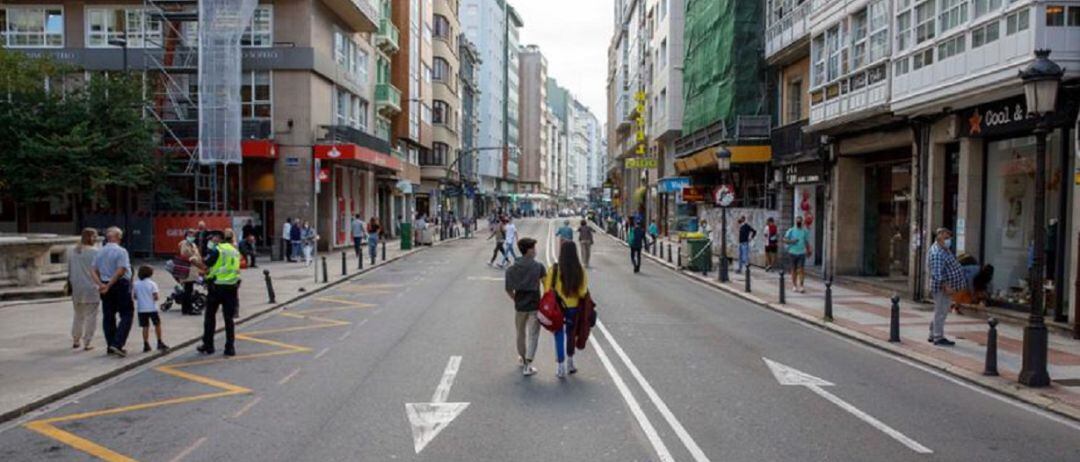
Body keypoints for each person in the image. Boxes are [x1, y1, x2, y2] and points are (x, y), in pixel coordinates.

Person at [545, 241, 590, 378]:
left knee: (558, 335)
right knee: (571, 335)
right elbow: (583, 292)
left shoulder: (555, 269)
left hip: (558, 308)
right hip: (573, 308)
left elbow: (547, 289)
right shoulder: (580, 269)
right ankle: (570, 363)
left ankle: (560, 366)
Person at [504, 238, 546, 376]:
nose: (535, 251)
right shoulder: (538, 267)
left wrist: (515, 299)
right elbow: (546, 285)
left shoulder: (512, 269)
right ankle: (528, 363)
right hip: (535, 305)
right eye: (534, 248)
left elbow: (508, 289)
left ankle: (522, 358)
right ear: (528, 251)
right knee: (533, 335)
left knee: (520, 333)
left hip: (520, 306)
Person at [91, 227, 134, 357]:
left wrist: (101, 285)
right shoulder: (121, 251)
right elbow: (121, 270)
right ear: (118, 237)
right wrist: (109, 284)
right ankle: (118, 343)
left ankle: (110, 345)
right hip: (119, 284)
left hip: (104, 284)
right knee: (127, 313)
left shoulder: (99, 251)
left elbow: (93, 270)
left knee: (108, 315)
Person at [198, 229, 241, 356]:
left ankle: (208, 345)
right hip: (231, 287)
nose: (211, 241)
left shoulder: (218, 250)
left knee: (210, 317)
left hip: (216, 287)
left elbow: (206, 263)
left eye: (213, 238)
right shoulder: (234, 251)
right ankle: (230, 347)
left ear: (220, 238)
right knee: (229, 319)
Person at [927, 228, 966, 346]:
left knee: (940, 311)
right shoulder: (937, 253)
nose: (949, 240)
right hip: (942, 288)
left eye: (949, 238)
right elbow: (937, 273)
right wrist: (946, 286)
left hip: (946, 286)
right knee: (941, 312)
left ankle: (932, 333)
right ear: (939, 238)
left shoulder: (944, 249)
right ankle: (938, 337)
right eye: (946, 238)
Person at [68, 228, 100, 351]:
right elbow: (98, 270)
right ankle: (87, 341)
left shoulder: (73, 251)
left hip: (77, 287)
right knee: (91, 316)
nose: (96, 238)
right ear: (91, 237)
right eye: (95, 236)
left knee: (78, 315)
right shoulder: (95, 252)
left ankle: (76, 340)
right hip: (91, 287)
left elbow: (69, 270)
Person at [133, 265, 168, 353]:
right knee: (157, 325)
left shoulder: (136, 284)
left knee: (145, 326)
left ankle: (146, 344)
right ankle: (159, 342)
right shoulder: (152, 284)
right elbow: (155, 297)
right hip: (152, 308)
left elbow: (135, 296)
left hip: (141, 309)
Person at [178, 229, 204, 315]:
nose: (192, 237)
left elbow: (197, 255)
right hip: (187, 269)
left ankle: (186, 309)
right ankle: (188, 309)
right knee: (187, 290)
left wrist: (200, 263)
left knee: (189, 289)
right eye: (190, 235)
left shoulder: (193, 244)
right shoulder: (184, 244)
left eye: (193, 235)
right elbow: (185, 254)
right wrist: (193, 258)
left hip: (193, 270)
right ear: (186, 236)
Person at [784, 216, 811, 293]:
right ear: (795, 222)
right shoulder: (791, 230)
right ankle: (794, 285)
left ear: (802, 222)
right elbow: (784, 239)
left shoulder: (804, 231)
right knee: (793, 269)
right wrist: (792, 241)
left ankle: (801, 286)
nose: (799, 223)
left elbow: (806, 241)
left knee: (801, 269)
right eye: (797, 221)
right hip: (792, 252)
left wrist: (809, 250)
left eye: (800, 221)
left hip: (801, 252)